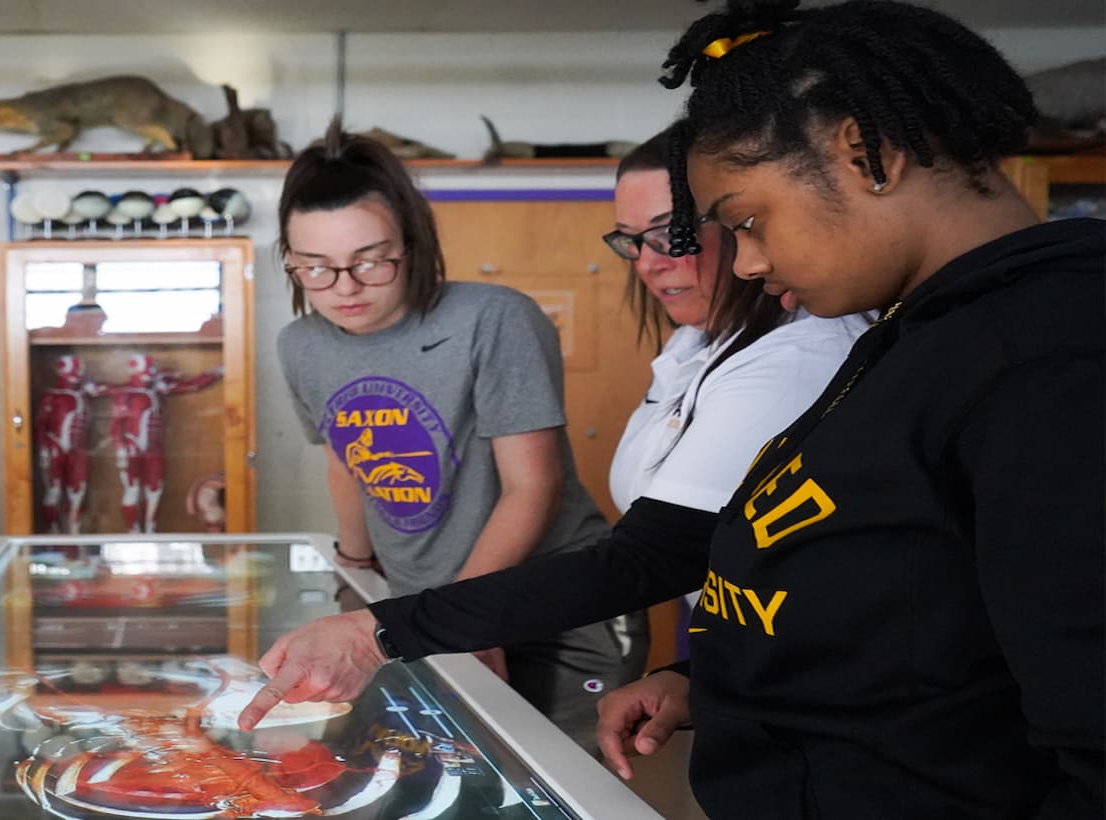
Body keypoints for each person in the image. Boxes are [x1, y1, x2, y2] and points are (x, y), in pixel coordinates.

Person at [240, 2, 1103, 817]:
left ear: (866, 154)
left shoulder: (1048, 354)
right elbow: (866, 593)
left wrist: (384, 630)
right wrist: (708, 678)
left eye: (747, 220)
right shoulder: (903, 336)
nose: (749, 261)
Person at [273, 119, 639, 754]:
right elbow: (347, 463)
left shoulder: (492, 319)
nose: (346, 288)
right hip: (428, 611)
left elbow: (533, 486)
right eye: (316, 268)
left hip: (554, 608)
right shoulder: (301, 345)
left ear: (411, 244)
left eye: (370, 262)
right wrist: (357, 578)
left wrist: (461, 624)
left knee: (545, 789)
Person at [604, 126, 869, 667]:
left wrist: (415, 622)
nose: (649, 263)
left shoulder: (799, 355)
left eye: (670, 234)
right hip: (723, 638)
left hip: (803, 660)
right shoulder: (692, 343)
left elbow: (656, 552)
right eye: (631, 240)